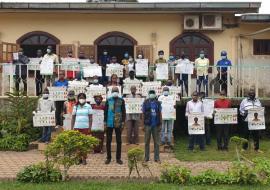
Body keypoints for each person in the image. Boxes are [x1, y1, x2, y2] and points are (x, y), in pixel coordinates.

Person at [104, 87, 126, 165]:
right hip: (109, 123)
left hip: (118, 123)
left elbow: (123, 112)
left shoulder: (121, 100)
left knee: (119, 141)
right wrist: (105, 122)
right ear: (111, 92)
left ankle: (118, 158)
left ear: (118, 92)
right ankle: (108, 157)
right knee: (108, 141)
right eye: (114, 91)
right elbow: (105, 112)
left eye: (116, 91)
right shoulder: (108, 100)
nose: (115, 92)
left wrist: (123, 122)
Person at [71, 93, 93, 165]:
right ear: (78, 98)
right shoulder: (76, 107)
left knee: (84, 144)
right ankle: (78, 158)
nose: (81, 99)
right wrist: (72, 128)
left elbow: (90, 118)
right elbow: (73, 117)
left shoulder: (88, 106)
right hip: (77, 127)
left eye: (83, 97)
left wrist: (90, 127)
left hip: (85, 127)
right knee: (77, 144)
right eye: (80, 97)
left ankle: (84, 158)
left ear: (85, 98)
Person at [142, 90, 162, 163]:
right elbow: (143, 114)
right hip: (147, 125)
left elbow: (160, 113)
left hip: (156, 125)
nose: (152, 95)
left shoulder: (158, 103)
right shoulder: (145, 102)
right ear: (148, 94)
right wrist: (143, 125)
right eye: (150, 93)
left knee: (156, 142)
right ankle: (146, 158)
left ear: (155, 95)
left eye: (153, 93)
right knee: (146, 142)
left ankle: (157, 158)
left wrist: (160, 124)